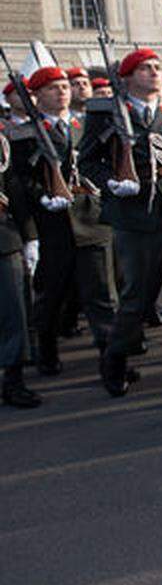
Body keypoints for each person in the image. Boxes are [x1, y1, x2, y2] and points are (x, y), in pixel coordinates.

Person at [78, 47, 162, 399]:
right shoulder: (108, 115)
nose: (154, 73)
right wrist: (111, 182)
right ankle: (114, 357)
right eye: (145, 68)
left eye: (157, 67)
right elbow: (87, 160)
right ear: (126, 78)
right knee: (137, 295)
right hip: (134, 212)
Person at [8, 66, 114, 379]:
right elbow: (17, 179)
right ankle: (47, 349)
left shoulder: (87, 126)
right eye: (53, 88)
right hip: (53, 224)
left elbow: (101, 163)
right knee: (51, 294)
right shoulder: (23, 133)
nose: (62, 91)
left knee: (101, 295)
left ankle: (110, 357)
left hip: (91, 218)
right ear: (37, 96)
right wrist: (41, 195)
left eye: (64, 86)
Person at [0, 125, 38, 407]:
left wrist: (29, 236)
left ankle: (13, 380)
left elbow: (14, 187)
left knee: (14, 312)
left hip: (3, 236)